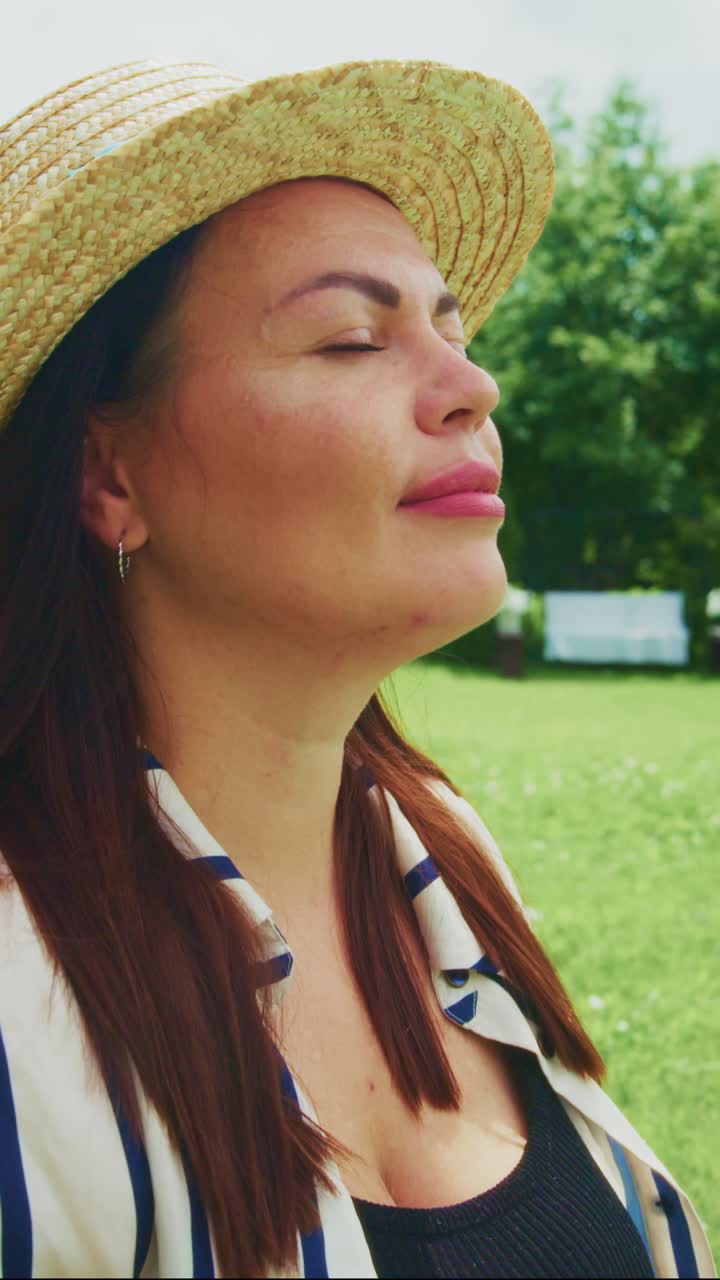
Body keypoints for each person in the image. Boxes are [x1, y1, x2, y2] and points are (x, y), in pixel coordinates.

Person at [0, 57, 713, 1280]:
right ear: (107, 476)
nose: (472, 387)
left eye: (450, 327)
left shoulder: (443, 858)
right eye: (347, 339)